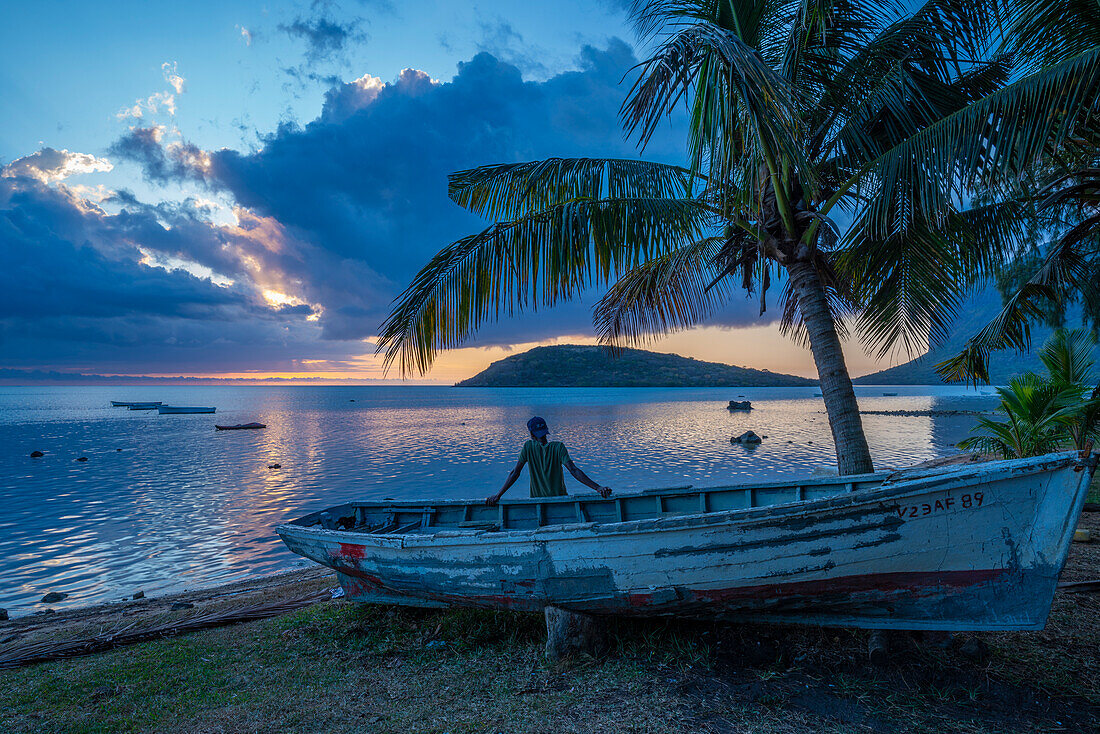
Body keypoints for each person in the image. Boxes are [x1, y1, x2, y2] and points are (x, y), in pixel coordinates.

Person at [486, 416, 612, 505]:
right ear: (546, 432)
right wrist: (598, 487)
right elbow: (574, 470)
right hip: (560, 501)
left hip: (537, 502)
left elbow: (515, 473)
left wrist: (498, 495)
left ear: (531, 434)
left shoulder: (528, 446)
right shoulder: (558, 447)